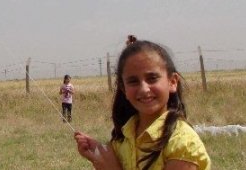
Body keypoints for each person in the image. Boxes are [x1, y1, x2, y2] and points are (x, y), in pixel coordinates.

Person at [74, 40, 211, 170]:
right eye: (133, 81)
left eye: (152, 78)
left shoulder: (182, 143)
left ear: (172, 82)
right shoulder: (123, 139)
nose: (144, 89)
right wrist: (101, 155)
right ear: (124, 89)